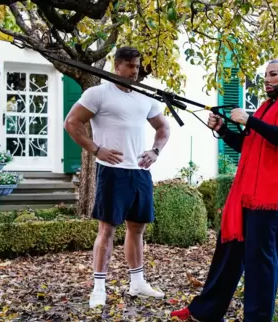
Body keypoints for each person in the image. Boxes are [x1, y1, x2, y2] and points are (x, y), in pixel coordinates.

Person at [170, 59, 278, 321]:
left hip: (272, 191)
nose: (267, 79)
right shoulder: (266, 107)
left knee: (261, 260)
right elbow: (248, 146)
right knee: (229, 250)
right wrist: (223, 130)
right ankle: (206, 311)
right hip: (247, 190)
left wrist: (249, 120)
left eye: (274, 74)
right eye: (265, 75)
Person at [63, 46, 170, 308]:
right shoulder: (98, 94)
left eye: (137, 66)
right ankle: (99, 287)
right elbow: (72, 123)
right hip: (112, 173)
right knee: (107, 229)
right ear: (117, 66)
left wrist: (155, 152)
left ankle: (137, 283)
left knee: (137, 229)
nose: (135, 71)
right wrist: (96, 150)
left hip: (140, 172)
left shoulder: (145, 97)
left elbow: (163, 128)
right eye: (130, 66)